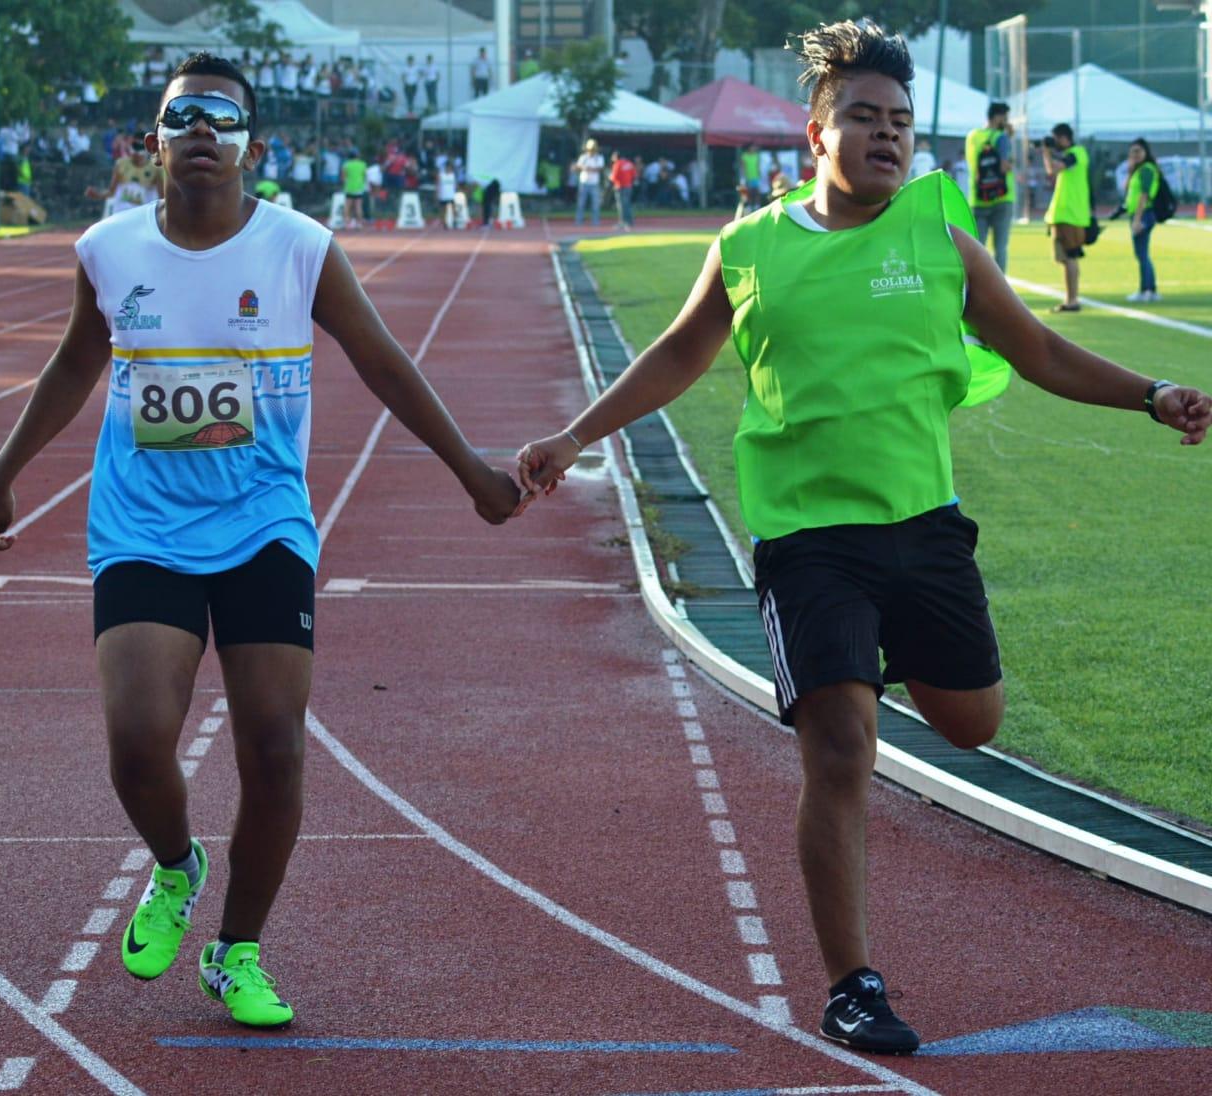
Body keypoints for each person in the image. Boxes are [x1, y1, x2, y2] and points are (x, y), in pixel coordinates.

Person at [513, 20, 1210, 1056]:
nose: (885, 137)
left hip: (923, 531)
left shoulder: (938, 229)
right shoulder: (749, 248)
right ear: (814, 132)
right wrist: (574, 435)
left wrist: (1147, 393)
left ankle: (881, 666)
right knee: (839, 748)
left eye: (899, 123)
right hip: (808, 540)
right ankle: (851, 983)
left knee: (970, 722)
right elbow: (675, 355)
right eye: (863, 119)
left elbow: (1036, 350)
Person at [0, 50, 519, 1031]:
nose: (201, 133)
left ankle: (235, 949)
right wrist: (3, 469)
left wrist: (468, 469)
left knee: (273, 745)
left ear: (254, 147)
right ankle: (179, 865)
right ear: (152, 143)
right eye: (182, 117)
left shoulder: (300, 248)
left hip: (263, 516)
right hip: (142, 522)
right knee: (139, 740)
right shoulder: (108, 249)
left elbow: (383, 362)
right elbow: (72, 363)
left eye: (222, 119)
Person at [1042, 122, 1092, 312]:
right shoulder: (1070, 155)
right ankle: (1071, 298)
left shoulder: (1077, 153)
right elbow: (1050, 170)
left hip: (1072, 214)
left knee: (1071, 257)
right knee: (1064, 258)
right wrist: (1046, 153)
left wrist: (1048, 152)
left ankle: (1072, 300)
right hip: (1062, 214)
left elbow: (1056, 167)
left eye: (1056, 140)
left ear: (1064, 138)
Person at [965, 101, 1016, 272]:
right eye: (1005, 117)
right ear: (998, 117)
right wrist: (1009, 139)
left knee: (976, 248)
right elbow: (1005, 166)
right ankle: (999, 290)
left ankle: (975, 288)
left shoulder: (972, 136)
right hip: (1001, 197)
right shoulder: (1000, 138)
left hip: (978, 196)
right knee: (1000, 247)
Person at [85, 131, 164, 218]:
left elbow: (162, 198)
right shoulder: (121, 164)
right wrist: (97, 195)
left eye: (141, 149)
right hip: (121, 214)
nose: (137, 154)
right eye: (135, 148)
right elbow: (112, 192)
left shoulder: (155, 169)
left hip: (142, 216)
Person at [1121, 137, 1161, 303]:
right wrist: (1130, 170)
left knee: (1142, 253)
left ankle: (1146, 289)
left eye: (1138, 151)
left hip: (1143, 214)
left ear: (1145, 152)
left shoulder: (1146, 170)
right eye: (1132, 152)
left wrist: (1137, 220)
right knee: (1142, 253)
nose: (1135, 155)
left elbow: (1144, 195)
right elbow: (1126, 188)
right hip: (1138, 214)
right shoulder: (1137, 170)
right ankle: (1149, 289)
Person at [574, 138, 605, 227]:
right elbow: (578, 166)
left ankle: (595, 222)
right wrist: (584, 168)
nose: (591, 151)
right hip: (584, 182)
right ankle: (579, 221)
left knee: (595, 204)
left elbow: (599, 168)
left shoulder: (599, 157)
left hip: (594, 183)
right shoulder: (583, 157)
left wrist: (587, 168)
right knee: (581, 203)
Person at [341, 147, 367, 229]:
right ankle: (359, 224)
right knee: (358, 206)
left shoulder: (346, 164)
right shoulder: (363, 164)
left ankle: (347, 224)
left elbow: (343, 177)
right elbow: (364, 176)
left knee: (347, 206)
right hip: (359, 188)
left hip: (349, 188)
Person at [609, 150, 636, 230]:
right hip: (629, 186)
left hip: (620, 187)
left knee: (621, 206)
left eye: (613, 156)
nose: (612, 158)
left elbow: (614, 177)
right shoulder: (629, 163)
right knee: (627, 204)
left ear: (616, 156)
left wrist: (610, 179)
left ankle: (624, 223)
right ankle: (629, 222)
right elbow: (634, 175)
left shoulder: (617, 164)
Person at [436, 157, 458, 228]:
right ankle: (445, 223)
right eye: (447, 167)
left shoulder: (453, 175)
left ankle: (454, 222)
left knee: (453, 208)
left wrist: (455, 192)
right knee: (444, 210)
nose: (448, 169)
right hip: (444, 195)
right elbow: (438, 185)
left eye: (449, 168)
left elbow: (455, 185)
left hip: (451, 195)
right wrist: (438, 193)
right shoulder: (441, 175)